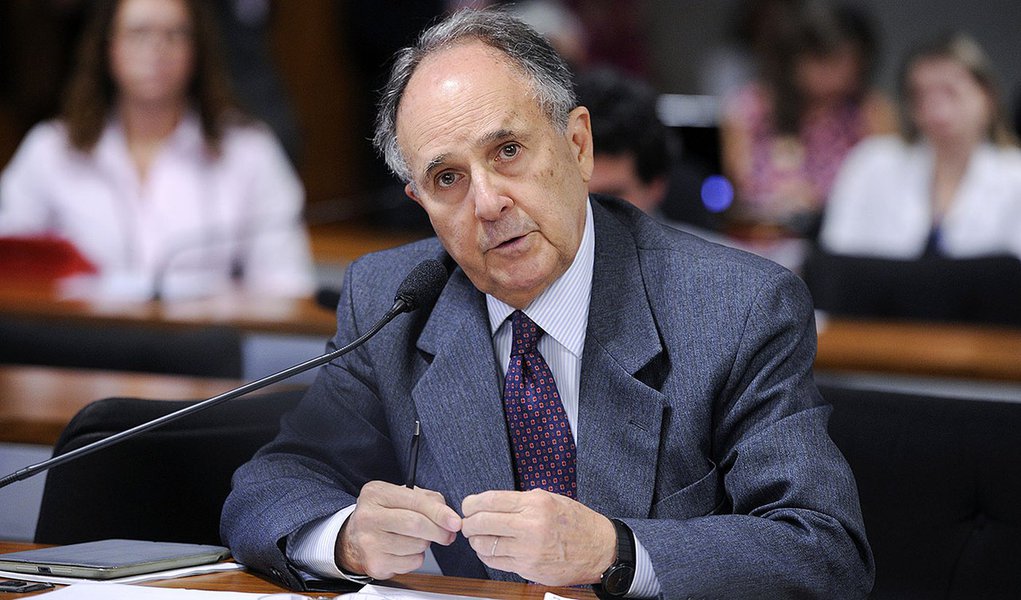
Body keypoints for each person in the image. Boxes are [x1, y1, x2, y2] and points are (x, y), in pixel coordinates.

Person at [222, 9, 873, 598]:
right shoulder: (392, 303)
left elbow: (822, 550)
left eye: (508, 151)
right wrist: (347, 537)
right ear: (420, 204)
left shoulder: (733, 307)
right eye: (447, 178)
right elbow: (272, 485)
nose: (487, 202)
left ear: (578, 146)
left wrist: (615, 553)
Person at [0, 0, 314, 299]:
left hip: (205, 344)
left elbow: (287, 286)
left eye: (174, 34)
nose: (157, 49)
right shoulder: (51, 149)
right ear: (107, 46)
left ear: (197, 48)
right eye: (139, 33)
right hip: (78, 345)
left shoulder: (249, 151)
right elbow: (10, 264)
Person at [820, 33, 1021, 260]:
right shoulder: (872, 161)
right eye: (922, 95)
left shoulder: (1015, 174)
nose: (936, 109)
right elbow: (837, 258)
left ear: (987, 96)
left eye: (950, 92)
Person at [720, 0, 895, 239]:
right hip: (766, 242)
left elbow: (886, 192)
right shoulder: (749, 110)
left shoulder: (871, 112)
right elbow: (741, 194)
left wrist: (820, 202)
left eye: (850, 63)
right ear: (793, 60)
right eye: (827, 62)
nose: (841, 75)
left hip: (843, 244)